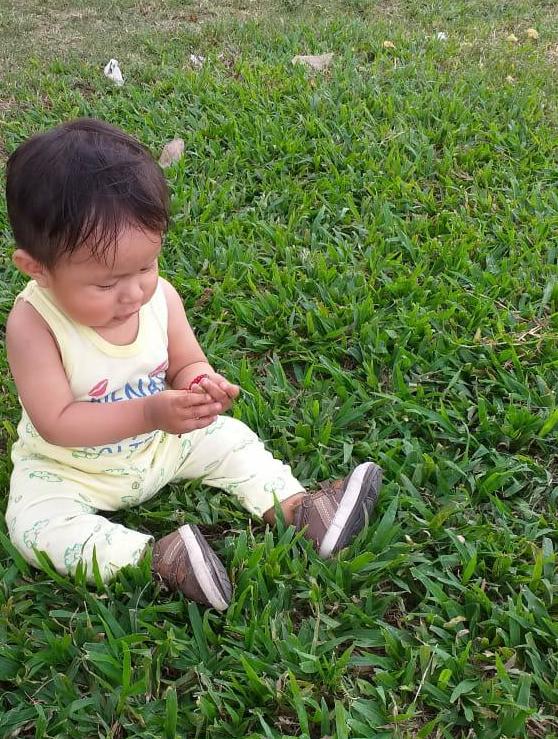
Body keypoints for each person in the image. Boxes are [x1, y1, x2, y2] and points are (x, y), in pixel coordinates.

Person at [3, 118, 383, 610]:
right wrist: (149, 412)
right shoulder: (34, 324)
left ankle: (299, 510)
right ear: (37, 268)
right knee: (33, 527)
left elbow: (186, 362)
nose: (134, 292)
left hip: (164, 445)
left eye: (146, 266)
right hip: (69, 469)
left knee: (230, 440)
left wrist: (201, 385)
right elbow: (56, 423)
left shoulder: (159, 298)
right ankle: (159, 559)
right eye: (105, 284)